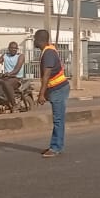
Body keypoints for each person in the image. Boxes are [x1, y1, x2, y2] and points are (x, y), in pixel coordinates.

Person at [33, 29, 70, 157]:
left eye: (34, 39)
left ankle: (55, 148)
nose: (33, 41)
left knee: (58, 120)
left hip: (58, 89)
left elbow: (47, 75)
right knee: (58, 119)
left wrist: (41, 94)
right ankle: (55, 145)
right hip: (56, 88)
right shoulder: (48, 50)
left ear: (39, 40)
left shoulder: (48, 52)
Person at [0, 41, 27, 112]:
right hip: (6, 77)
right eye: (12, 48)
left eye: (15, 48)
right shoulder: (5, 56)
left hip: (16, 78)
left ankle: (14, 105)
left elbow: (17, 69)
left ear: (17, 49)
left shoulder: (20, 56)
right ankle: (1, 102)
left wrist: (10, 74)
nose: (13, 49)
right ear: (8, 48)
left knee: (7, 83)